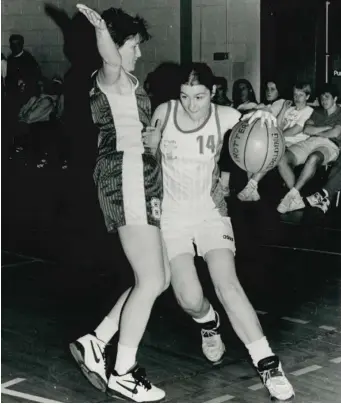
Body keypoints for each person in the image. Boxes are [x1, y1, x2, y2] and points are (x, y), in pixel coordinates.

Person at [144, 62, 295, 402]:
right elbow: (147, 163)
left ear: (211, 93)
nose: (191, 104)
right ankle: (208, 322)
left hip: (211, 212)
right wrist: (148, 148)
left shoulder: (223, 116)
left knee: (228, 284)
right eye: (185, 96)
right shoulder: (164, 113)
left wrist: (264, 115)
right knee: (190, 298)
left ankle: (268, 364)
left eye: (199, 96)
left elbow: (252, 117)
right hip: (172, 216)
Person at [69, 5, 169, 402]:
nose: (138, 53)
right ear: (116, 43)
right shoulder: (110, 75)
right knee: (149, 279)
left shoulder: (128, 81)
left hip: (140, 175)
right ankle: (123, 372)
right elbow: (109, 57)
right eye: (134, 45)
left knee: (157, 279)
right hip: (124, 176)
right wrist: (101, 31)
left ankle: (98, 340)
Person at [237, 82, 313, 202]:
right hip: (281, 140)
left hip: (295, 144)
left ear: (307, 97)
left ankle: (251, 185)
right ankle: (253, 190)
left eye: (301, 95)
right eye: (295, 95)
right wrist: (283, 109)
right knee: (254, 149)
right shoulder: (290, 109)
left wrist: (276, 135)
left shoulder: (309, 111)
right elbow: (277, 125)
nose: (297, 98)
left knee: (270, 151)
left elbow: (295, 130)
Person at [277, 83, 341, 214]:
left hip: (329, 144)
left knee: (313, 158)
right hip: (310, 141)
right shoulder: (317, 112)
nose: (323, 101)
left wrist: (316, 131)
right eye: (322, 98)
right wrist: (326, 129)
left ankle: (291, 195)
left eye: (327, 98)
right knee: (281, 158)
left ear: (335, 99)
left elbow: (334, 134)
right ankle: (297, 199)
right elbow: (306, 129)